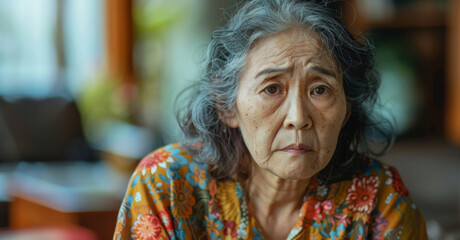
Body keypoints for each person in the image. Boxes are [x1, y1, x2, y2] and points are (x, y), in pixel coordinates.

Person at [113, 0, 427, 239]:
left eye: (320, 90)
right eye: (272, 88)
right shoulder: (165, 185)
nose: (298, 118)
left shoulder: (378, 198)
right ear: (228, 107)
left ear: (346, 109)